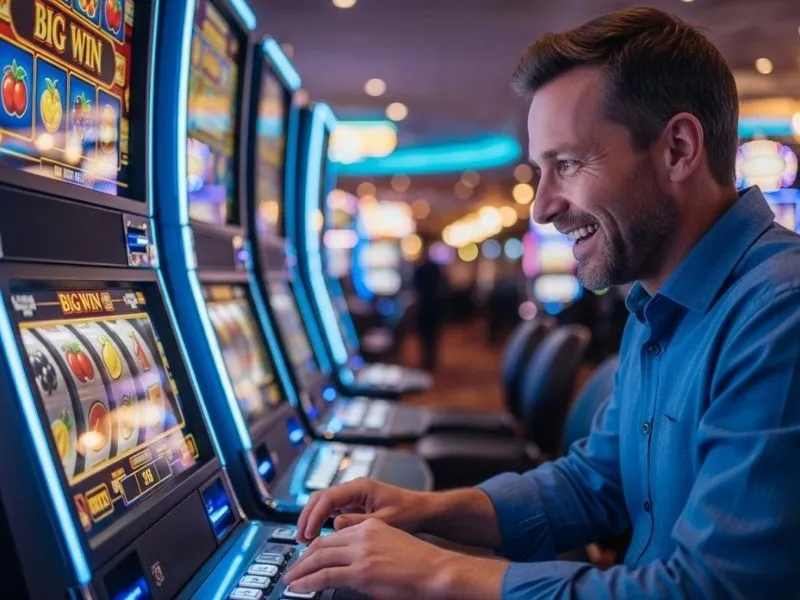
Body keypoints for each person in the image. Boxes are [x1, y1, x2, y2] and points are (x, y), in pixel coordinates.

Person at [283, 7, 800, 598]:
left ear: (678, 149)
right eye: (540, 170)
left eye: (569, 164)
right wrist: (425, 510)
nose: (542, 206)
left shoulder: (780, 313)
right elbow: (595, 482)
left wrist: (435, 571)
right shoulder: (657, 300)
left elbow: (710, 591)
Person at [412, 238, 446, 371]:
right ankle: (430, 361)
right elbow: (444, 285)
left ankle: (427, 361)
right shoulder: (435, 268)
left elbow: (414, 286)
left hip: (425, 306)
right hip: (433, 306)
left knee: (426, 337)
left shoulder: (420, 268)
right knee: (431, 337)